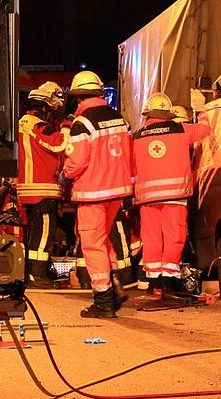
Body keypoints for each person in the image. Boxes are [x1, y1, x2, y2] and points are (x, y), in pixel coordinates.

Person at [62, 70, 134, 318]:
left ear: (78, 97)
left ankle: (103, 300)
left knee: (92, 245)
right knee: (104, 241)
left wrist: (65, 174)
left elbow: (78, 161)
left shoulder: (82, 123)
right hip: (117, 191)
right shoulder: (119, 119)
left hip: (93, 192)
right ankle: (114, 285)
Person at [132, 92, 211, 299]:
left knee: (151, 238)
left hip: (147, 198)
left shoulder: (138, 135)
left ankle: (154, 282)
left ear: (148, 114)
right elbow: (205, 130)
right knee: (174, 237)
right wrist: (201, 110)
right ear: (168, 113)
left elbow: (132, 167)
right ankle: (169, 281)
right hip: (174, 196)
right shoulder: (180, 129)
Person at [17, 81, 70, 288]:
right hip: (42, 188)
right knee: (44, 233)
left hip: (30, 188)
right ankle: (36, 275)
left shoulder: (22, 124)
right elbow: (57, 145)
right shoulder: (36, 125)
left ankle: (34, 272)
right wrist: (66, 127)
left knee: (35, 233)